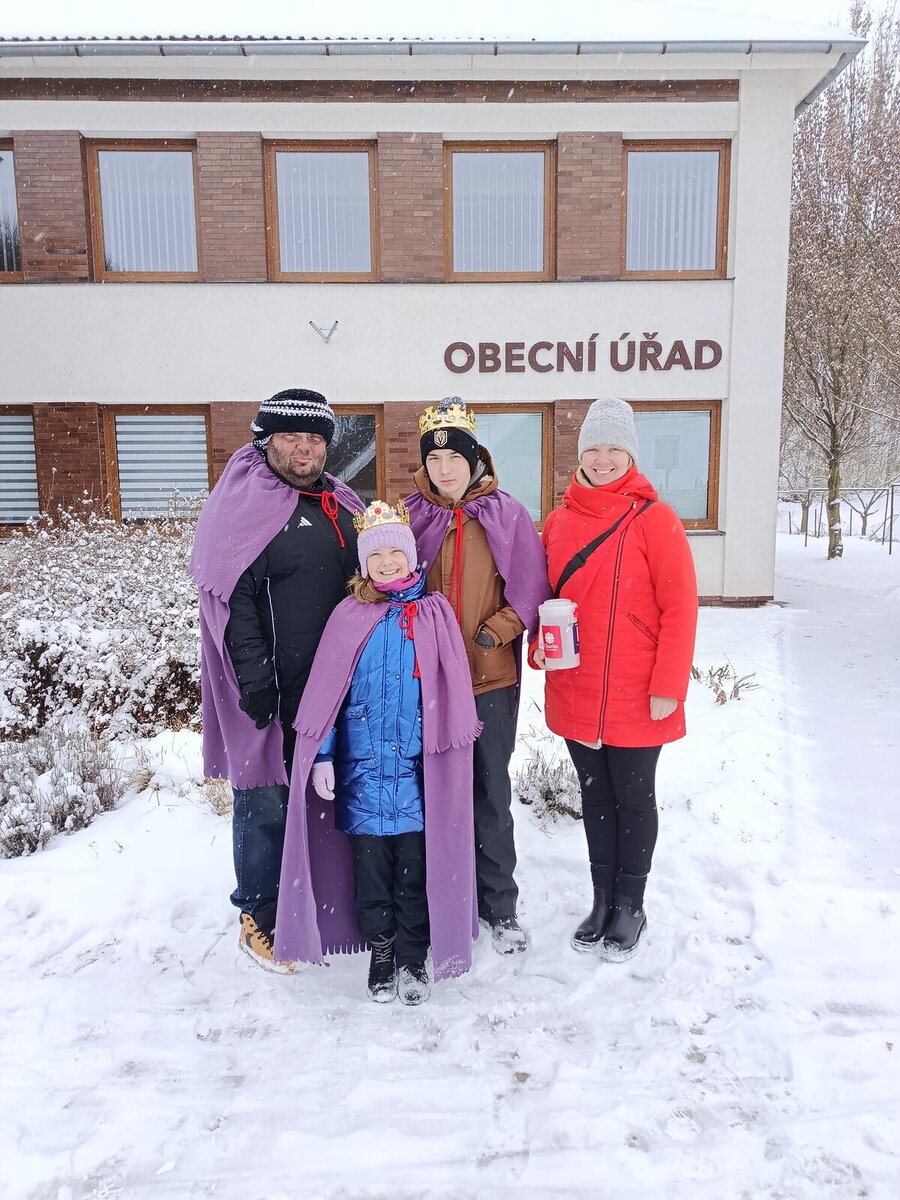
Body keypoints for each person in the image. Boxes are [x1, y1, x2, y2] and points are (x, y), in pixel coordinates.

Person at [273, 500, 482, 1004]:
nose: (387, 563)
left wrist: (448, 761)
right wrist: (323, 756)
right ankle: (382, 952)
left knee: (414, 875)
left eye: (395, 553)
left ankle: (412, 956)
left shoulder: (434, 614)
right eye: (376, 555)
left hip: (417, 775)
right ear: (364, 563)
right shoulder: (349, 616)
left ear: (411, 556)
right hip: (362, 775)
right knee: (371, 878)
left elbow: (452, 693)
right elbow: (329, 696)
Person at [189, 388, 361, 971]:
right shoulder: (243, 503)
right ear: (266, 441)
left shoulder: (338, 501)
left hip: (332, 683)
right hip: (268, 685)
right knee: (264, 792)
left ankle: (311, 899)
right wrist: (255, 681)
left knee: (321, 792)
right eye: (291, 437)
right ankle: (258, 912)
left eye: (314, 438)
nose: (304, 448)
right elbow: (230, 598)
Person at [533, 397, 698, 960]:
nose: (602, 460)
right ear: (580, 455)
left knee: (633, 796)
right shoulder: (558, 521)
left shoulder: (656, 519)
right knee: (595, 796)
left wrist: (668, 685)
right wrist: (541, 646)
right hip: (577, 685)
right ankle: (602, 900)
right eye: (593, 449)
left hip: (639, 691)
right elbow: (545, 599)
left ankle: (631, 904)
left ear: (630, 455)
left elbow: (680, 607)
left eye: (613, 449)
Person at [404, 398, 551, 954]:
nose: (445, 468)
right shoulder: (409, 515)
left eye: (455, 457)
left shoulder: (506, 514)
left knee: (490, 793)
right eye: (434, 458)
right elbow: (384, 583)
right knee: (428, 793)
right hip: (424, 679)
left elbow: (532, 588)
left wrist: (497, 631)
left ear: (475, 459)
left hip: (489, 677)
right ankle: (438, 898)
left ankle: (498, 904)